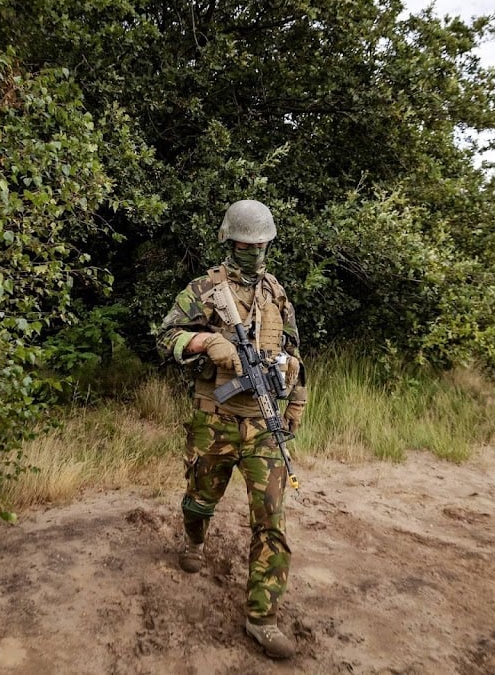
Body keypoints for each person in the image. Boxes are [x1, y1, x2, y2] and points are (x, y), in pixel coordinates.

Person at [156, 199, 307, 659]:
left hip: (263, 424)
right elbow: (165, 338)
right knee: (200, 501)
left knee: (271, 522)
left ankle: (262, 618)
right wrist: (207, 341)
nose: (254, 252)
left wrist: (296, 399)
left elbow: (296, 352)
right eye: (246, 244)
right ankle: (194, 539)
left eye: (261, 244)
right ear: (229, 241)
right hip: (214, 419)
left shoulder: (278, 293)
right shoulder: (203, 289)